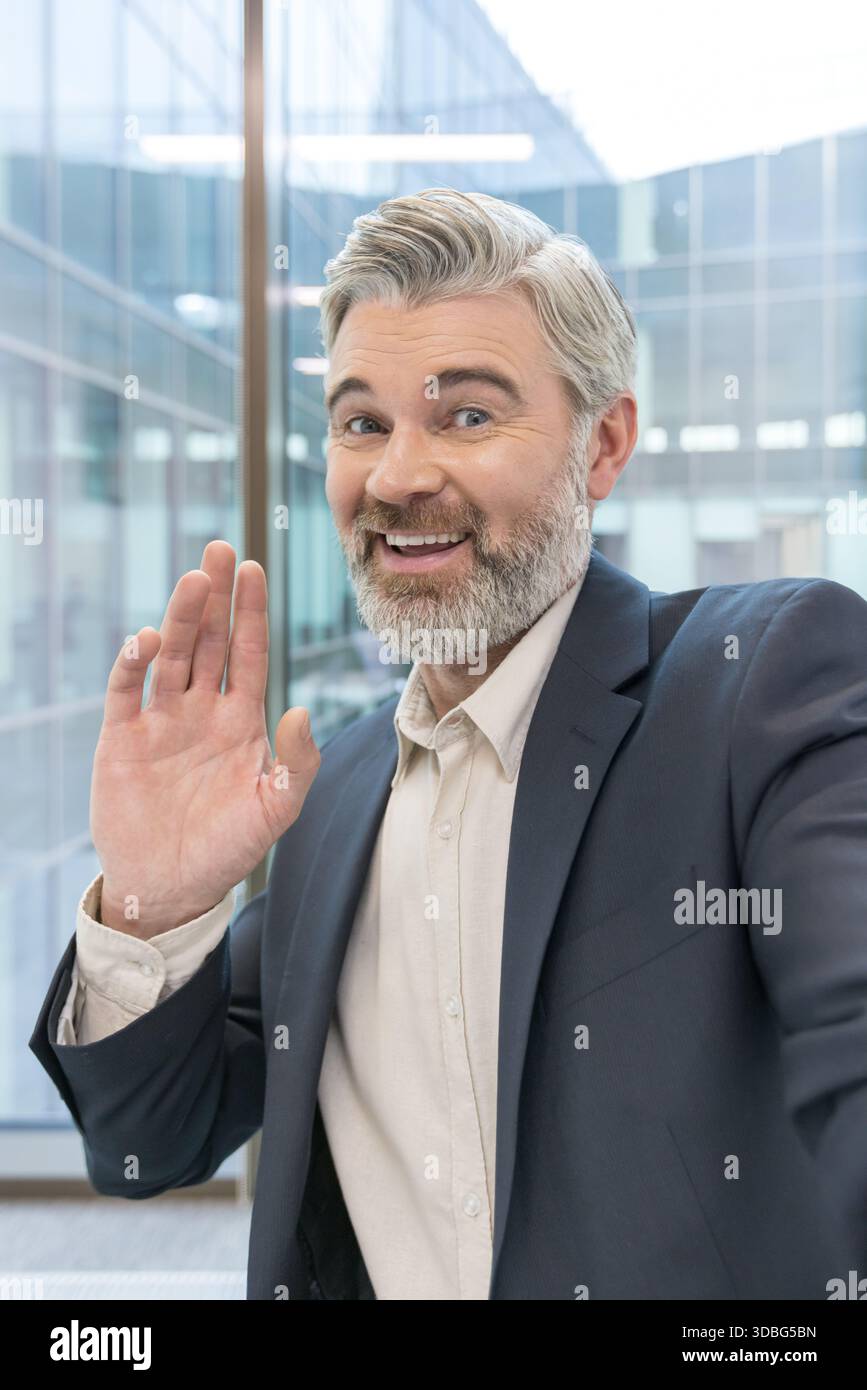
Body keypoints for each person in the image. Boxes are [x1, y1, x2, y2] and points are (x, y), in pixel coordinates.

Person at [29, 188, 867, 1301]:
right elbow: (147, 1145)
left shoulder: (756, 682)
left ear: (602, 442)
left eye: (467, 416)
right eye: (362, 421)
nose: (397, 476)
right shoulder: (332, 795)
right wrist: (155, 906)